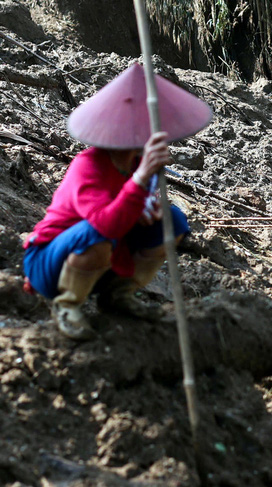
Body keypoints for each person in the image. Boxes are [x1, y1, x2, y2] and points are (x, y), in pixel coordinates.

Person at [23, 63, 212, 340]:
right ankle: (67, 305)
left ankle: (118, 294)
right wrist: (141, 177)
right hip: (52, 261)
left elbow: (133, 208)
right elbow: (105, 224)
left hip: (110, 255)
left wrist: (148, 208)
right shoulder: (88, 166)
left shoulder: (135, 164)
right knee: (97, 234)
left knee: (172, 221)